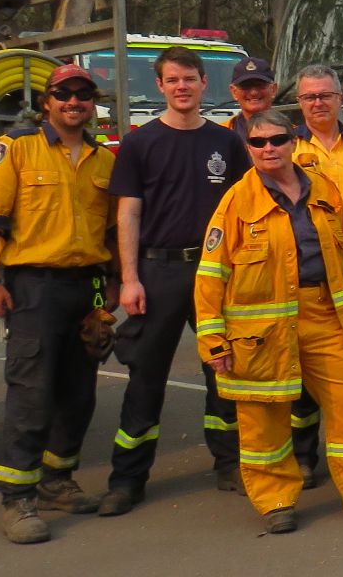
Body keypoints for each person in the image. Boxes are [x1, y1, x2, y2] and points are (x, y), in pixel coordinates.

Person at [194, 110, 343, 533]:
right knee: (263, 419)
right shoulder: (236, 201)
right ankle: (274, 500)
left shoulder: (323, 190)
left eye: (277, 140)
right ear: (249, 148)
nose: (268, 149)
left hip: (326, 314)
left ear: (293, 142)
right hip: (261, 331)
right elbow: (211, 272)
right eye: (258, 143)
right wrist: (213, 338)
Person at [102, 49, 253, 519]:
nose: (182, 86)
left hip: (215, 273)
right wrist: (129, 279)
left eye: (190, 78)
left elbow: (244, 210)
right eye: (172, 79)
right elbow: (127, 212)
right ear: (161, 86)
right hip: (158, 271)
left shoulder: (226, 143)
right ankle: (127, 480)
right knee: (146, 378)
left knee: (223, 371)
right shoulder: (139, 143)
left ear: (204, 83)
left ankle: (230, 464)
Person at [0, 64, 116, 543]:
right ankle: (19, 499)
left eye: (83, 94)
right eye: (64, 93)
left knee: (80, 391)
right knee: (31, 392)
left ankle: (57, 480)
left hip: (88, 284)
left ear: (92, 103)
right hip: (35, 285)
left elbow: (112, 230)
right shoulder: (16, 148)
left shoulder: (102, 159)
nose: (74, 101)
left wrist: (111, 287)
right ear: (48, 101)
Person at [287, 62, 343, 482]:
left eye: (325, 95)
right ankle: (303, 456)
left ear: (339, 98)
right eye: (309, 97)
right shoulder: (287, 149)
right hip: (310, 278)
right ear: (299, 103)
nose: (318, 103)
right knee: (303, 378)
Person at [225, 55, 277, 140]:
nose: (253, 93)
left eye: (260, 85)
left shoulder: (294, 136)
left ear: (273, 89)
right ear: (234, 92)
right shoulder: (219, 135)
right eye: (246, 86)